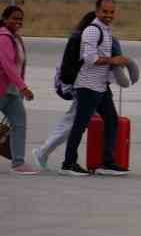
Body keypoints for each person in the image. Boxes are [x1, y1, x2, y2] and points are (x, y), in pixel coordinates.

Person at [60, 0, 130, 177]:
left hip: (101, 86)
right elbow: (90, 58)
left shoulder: (106, 30)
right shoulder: (92, 30)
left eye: (111, 12)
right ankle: (68, 164)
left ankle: (106, 162)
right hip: (87, 85)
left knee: (112, 120)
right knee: (80, 125)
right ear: (97, 11)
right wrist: (112, 60)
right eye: (105, 12)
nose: (108, 15)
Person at [31, 11, 98, 172]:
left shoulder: (84, 37)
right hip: (78, 84)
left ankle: (46, 152)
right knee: (72, 123)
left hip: (83, 83)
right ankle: (44, 152)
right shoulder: (79, 39)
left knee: (72, 121)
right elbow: (71, 66)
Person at [1, 5, 41, 174]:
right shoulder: (3, 37)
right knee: (19, 124)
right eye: (14, 18)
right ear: (4, 19)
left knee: (19, 124)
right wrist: (23, 87)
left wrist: (19, 88)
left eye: (20, 19)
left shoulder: (15, 38)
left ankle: (18, 163)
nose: (18, 21)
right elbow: (8, 66)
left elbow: (18, 67)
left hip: (11, 91)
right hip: (3, 88)